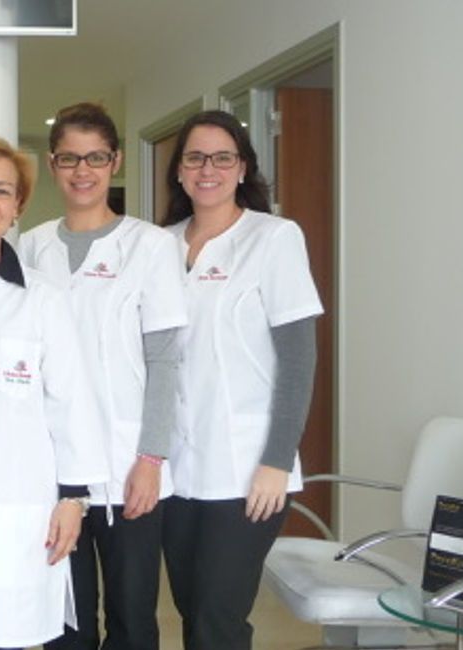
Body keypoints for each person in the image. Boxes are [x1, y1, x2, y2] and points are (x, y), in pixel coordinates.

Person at [20, 103, 188, 650]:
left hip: (126, 464)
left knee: (132, 618)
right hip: (54, 467)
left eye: (95, 157)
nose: (82, 171)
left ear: (114, 162)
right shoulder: (31, 246)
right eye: (69, 158)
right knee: (65, 621)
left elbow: (164, 359)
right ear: (53, 164)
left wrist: (151, 459)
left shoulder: (150, 246)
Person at [158, 110, 322, 650]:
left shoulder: (273, 239)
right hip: (175, 467)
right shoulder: (158, 245)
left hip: (247, 468)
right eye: (195, 158)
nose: (208, 169)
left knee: (218, 619)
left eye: (222, 157)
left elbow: (297, 361)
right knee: (190, 609)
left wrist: (277, 460)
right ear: (179, 170)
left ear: (243, 167)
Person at [0, 136, 110, 650]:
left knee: (4, 630)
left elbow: (72, 403)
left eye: (2, 191)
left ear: (17, 208)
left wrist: (73, 499)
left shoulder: (43, 301)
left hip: (15, 496)